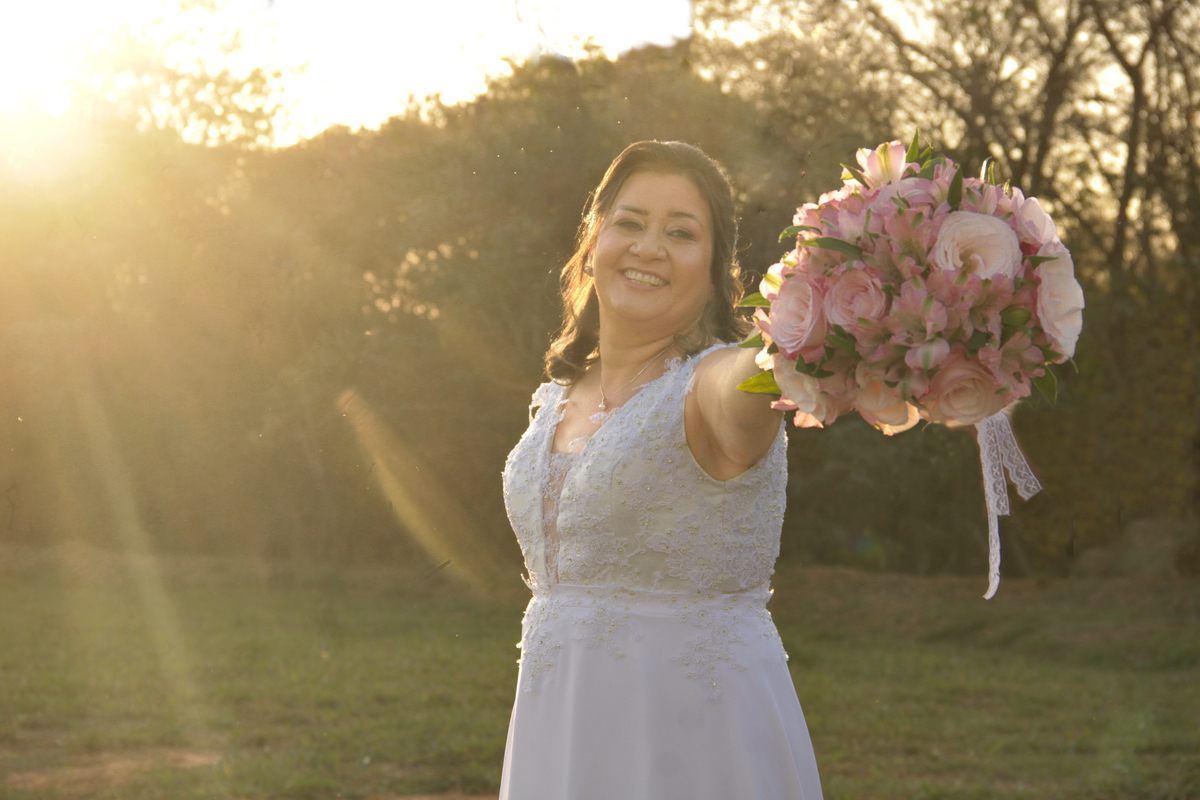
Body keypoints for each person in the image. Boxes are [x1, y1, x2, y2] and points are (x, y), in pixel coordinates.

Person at [499, 140, 823, 799]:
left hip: (696, 745)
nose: (648, 247)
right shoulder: (559, 394)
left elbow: (756, 378)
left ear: (713, 268)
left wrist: (823, 318)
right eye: (629, 222)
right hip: (561, 734)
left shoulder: (716, 382)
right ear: (593, 241)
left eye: (681, 232)